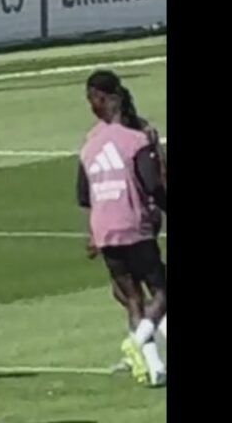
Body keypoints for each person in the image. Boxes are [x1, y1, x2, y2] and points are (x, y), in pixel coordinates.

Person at [78, 71, 168, 387]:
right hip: (134, 221)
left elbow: (84, 193)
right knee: (159, 291)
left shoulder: (90, 143)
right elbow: (154, 183)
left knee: (130, 296)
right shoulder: (138, 136)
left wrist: (93, 231)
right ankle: (138, 344)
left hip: (106, 227)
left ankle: (153, 366)